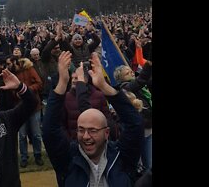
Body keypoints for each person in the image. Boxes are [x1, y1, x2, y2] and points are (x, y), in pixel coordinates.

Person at [43, 51, 143, 187]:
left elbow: (135, 124)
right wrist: (62, 83)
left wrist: (104, 86)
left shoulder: (121, 157)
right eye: (81, 130)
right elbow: (50, 130)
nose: (86, 136)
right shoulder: (68, 160)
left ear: (106, 133)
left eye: (93, 130)